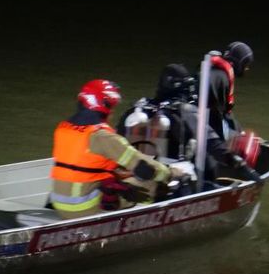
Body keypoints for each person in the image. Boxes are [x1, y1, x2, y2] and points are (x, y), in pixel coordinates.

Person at [50, 79, 184, 219]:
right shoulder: (103, 136)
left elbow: (87, 164)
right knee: (150, 181)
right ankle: (143, 220)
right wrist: (171, 173)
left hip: (60, 204)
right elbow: (144, 168)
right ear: (104, 105)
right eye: (112, 106)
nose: (112, 111)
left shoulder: (63, 129)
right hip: (83, 208)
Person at [120, 63, 261, 184]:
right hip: (170, 181)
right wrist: (240, 165)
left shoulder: (139, 107)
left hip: (131, 175)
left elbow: (118, 139)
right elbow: (213, 145)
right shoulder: (185, 110)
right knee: (205, 160)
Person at [206, 41, 253, 140]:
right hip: (206, 123)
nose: (247, 68)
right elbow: (220, 113)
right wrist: (240, 135)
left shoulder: (211, 69)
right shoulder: (223, 78)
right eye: (246, 65)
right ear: (239, 63)